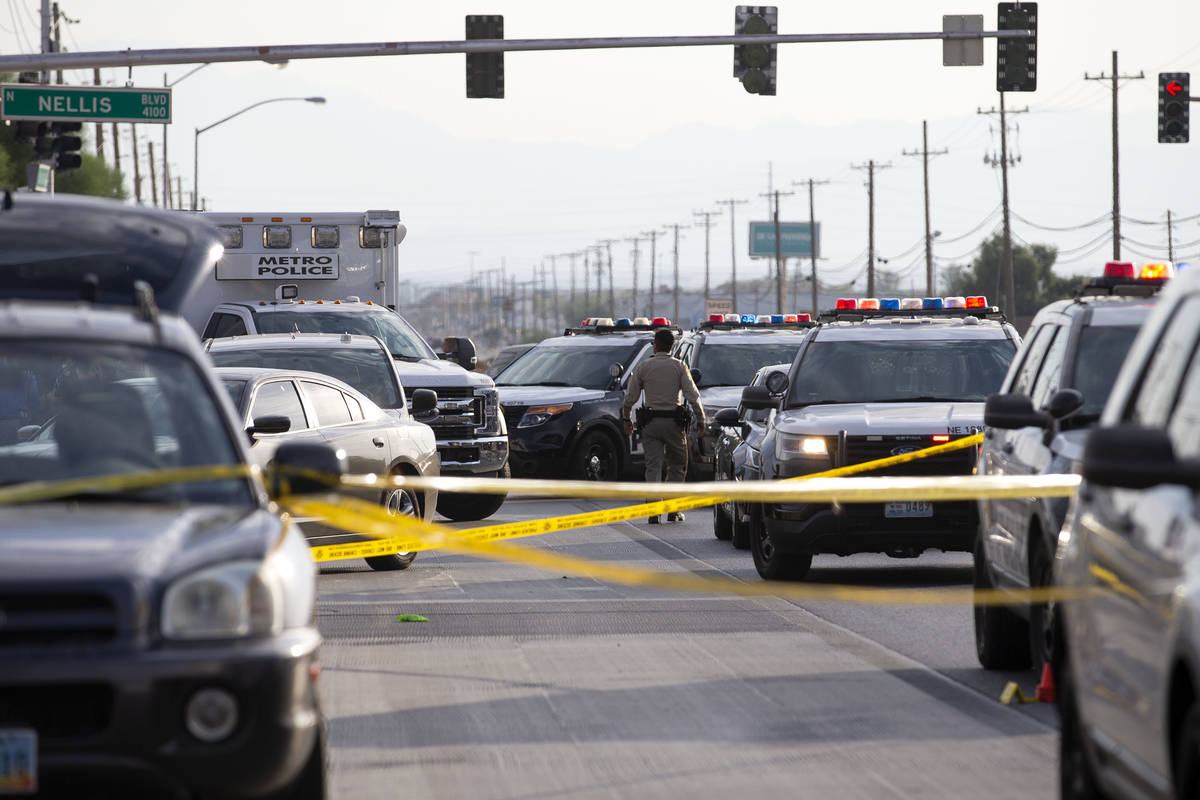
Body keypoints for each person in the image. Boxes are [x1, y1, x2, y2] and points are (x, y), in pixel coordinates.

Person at [621, 327, 704, 524]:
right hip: (674, 425)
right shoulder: (679, 366)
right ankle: (673, 510)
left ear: (655, 345)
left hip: (650, 424)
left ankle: (653, 511)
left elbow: (630, 398)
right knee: (677, 466)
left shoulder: (643, 367)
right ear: (672, 346)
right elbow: (693, 396)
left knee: (653, 466)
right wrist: (701, 419)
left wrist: (626, 419)